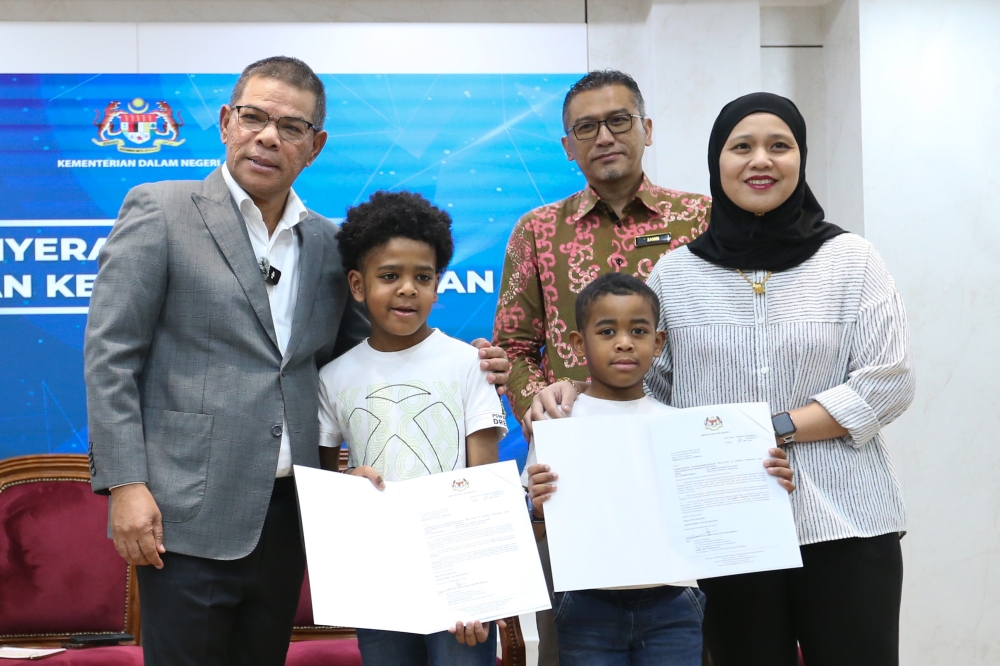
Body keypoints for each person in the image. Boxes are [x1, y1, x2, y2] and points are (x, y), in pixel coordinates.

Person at [84, 56, 509, 666]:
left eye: (290, 127)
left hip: (293, 517)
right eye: (253, 118)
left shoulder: (330, 243)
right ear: (226, 122)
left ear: (315, 146)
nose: (267, 137)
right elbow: (110, 357)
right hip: (184, 514)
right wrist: (126, 484)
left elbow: (373, 355)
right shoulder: (161, 210)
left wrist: (468, 362)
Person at [530, 92, 915, 666]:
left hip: (848, 522)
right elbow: (647, 391)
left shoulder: (853, 261)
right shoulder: (675, 274)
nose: (760, 160)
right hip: (724, 529)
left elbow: (887, 383)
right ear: (718, 162)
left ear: (800, 157)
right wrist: (578, 396)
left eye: (779, 146)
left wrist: (771, 429)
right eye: (742, 147)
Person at [493, 70, 711, 664]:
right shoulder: (537, 230)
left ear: (647, 128)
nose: (605, 137)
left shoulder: (702, 220)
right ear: (568, 146)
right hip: (580, 491)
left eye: (618, 120)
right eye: (586, 128)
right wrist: (546, 414)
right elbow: (514, 347)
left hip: (681, 478)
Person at [524, 272, 795, 666]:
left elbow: (724, 515)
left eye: (638, 331)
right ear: (578, 343)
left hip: (674, 605)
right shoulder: (555, 425)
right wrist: (536, 508)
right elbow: (531, 528)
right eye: (607, 331)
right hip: (585, 605)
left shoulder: (684, 428)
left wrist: (765, 488)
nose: (624, 342)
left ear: (658, 342)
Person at [316, 190, 507, 665]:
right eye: (389, 276)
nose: (407, 289)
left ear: (438, 285)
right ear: (357, 285)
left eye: (423, 277)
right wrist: (348, 481)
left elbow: (486, 482)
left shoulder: (469, 364)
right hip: (380, 578)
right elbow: (322, 484)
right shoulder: (333, 377)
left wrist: (483, 587)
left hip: (458, 577)